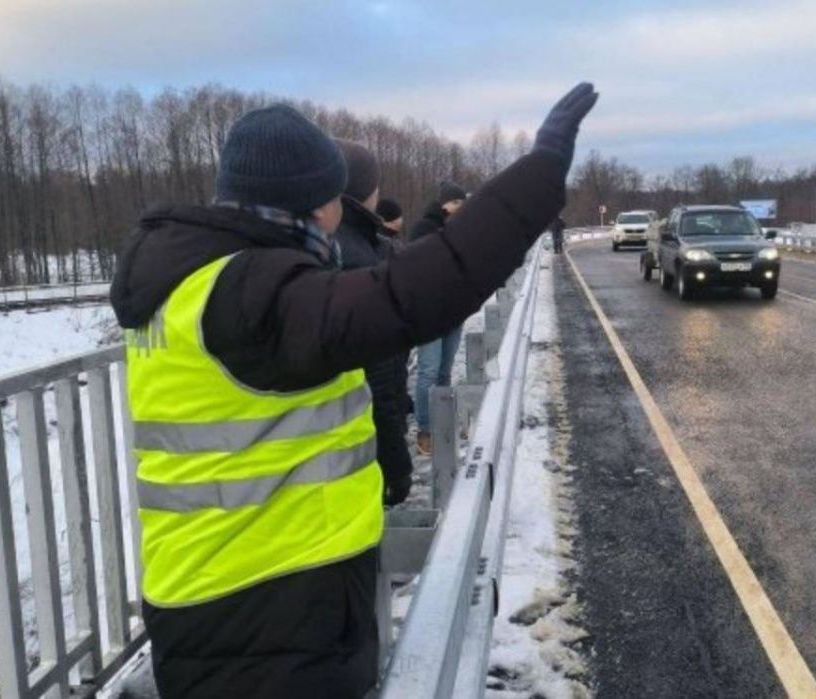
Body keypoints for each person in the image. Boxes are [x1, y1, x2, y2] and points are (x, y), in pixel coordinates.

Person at [109, 82, 598, 698]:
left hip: (219, 592)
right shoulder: (253, 294)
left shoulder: (193, 282)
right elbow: (409, 296)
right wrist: (539, 173)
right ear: (319, 206)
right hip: (265, 615)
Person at [332, 138, 413, 507]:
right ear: (367, 193)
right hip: (357, 444)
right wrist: (396, 460)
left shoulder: (322, 245)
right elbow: (378, 375)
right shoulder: (360, 259)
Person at [409, 180, 468, 454]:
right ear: (443, 203)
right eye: (455, 202)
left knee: (444, 371)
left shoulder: (460, 228)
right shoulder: (424, 228)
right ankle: (425, 429)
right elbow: (423, 266)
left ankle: (442, 422)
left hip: (453, 309)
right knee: (428, 372)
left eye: (461, 203)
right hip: (429, 311)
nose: (459, 208)